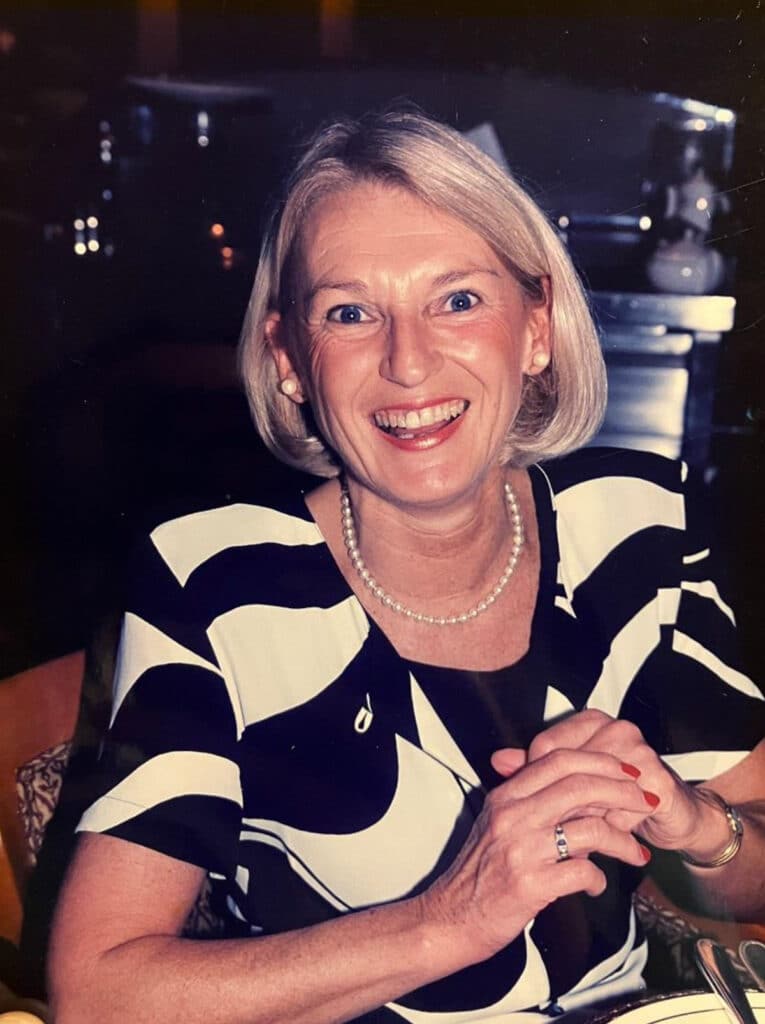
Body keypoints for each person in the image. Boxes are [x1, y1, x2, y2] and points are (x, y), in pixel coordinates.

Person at [49, 109, 765, 1024]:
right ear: (289, 360)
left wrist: (696, 827)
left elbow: (748, 882)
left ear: (535, 327)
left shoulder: (630, 526)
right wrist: (449, 920)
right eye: (350, 313)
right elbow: (96, 995)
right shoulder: (218, 582)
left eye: (458, 299)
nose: (408, 361)